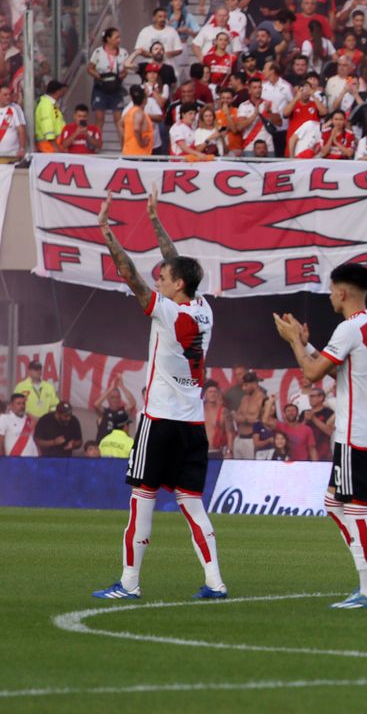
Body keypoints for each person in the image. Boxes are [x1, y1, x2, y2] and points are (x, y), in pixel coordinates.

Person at [92, 190, 226, 602]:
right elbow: (178, 262)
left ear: (177, 285)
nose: (158, 280)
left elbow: (130, 275)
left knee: (142, 499)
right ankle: (215, 581)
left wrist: (107, 235)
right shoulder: (203, 309)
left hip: (159, 419)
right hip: (192, 424)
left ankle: (129, 583)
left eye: (163, 278)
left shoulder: (166, 311)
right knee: (192, 504)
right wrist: (153, 220)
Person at [273, 262, 367, 610]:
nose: (329, 296)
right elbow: (336, 367)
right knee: (333, 503)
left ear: (342, 292)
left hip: (357, 430)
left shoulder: (348, 328)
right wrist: (309, 346)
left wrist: (294, 341)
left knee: (356, 509)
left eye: (330, 290)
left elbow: (311, 375)